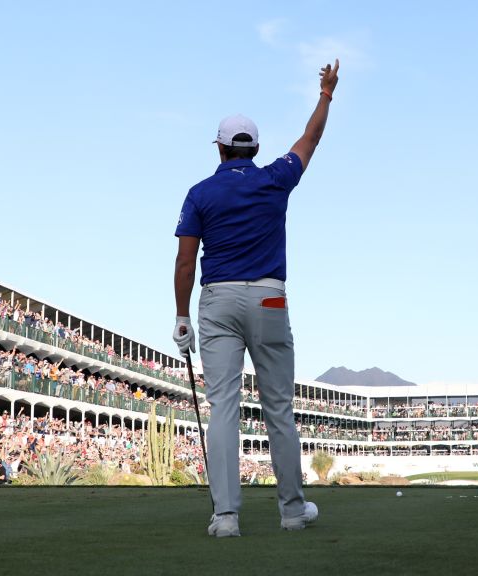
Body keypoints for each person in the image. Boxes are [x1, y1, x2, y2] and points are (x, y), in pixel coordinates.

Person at [172, 59, 339, 537]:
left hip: (217, 300)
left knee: (223, 406)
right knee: (278, 406)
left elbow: (186, 262)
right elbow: (310, 139)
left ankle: (225, 517)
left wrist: (181, 315)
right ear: (256, 148)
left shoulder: (200, 193)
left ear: (220, 148)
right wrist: (325, 94)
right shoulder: (274, 178)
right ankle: (291, 511)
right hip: (269, 298)